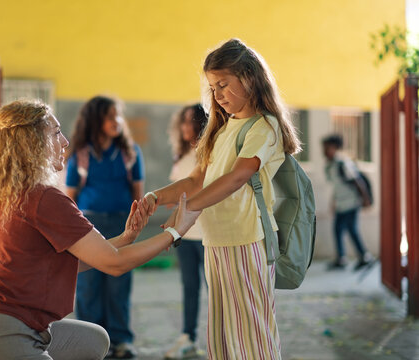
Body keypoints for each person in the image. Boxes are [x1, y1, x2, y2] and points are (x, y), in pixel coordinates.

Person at [0, 99, 200, 360]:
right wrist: (175, 232)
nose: (64, 141)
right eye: (55, 133)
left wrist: (126, 237)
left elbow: (68, 264)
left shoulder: (6, 197)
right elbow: (115, 264)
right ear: (31, 143)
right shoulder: (44, 198)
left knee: (93, 340)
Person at [144, 38, 302, 359]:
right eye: (212, 87)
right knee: (223, 337)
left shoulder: (264, 126)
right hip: (217, 242)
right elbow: (193, 180)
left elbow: (238, 177)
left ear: (249, 78)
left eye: (223, 84)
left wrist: (189, 209)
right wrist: (153, 198)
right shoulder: (224, 127)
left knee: (253, 338)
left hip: (247, 240)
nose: (217, 95)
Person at [65, 95, 144, 359]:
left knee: (119, 284)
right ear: (96, 120)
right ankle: (91, 342)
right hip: (88, 225)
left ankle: (120, 340)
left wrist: (134, 225)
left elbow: (138, 193)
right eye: (110, 116)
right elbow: (70, 196)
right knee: (88, 285)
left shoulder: (130, 153)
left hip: (121, 223)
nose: (117, 121)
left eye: (118, 115)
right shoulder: (81, 154)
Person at [164, 104, 208, 360]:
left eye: (189, 121)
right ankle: (188, 337)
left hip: (207, 236)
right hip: (185, 236)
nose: (184, 127)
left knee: (215, 290)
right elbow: (177, 194)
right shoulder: (180, 156)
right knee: (189, 288)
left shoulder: (208, 154)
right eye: (182, 122)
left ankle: (221, 338)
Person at [322, 134, 374, 270]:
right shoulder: (330, 166)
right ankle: (342, 258)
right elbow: (337, 186)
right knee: (338, 230)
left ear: (336, 148)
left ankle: (364, 257)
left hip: (351, 203)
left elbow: (358, 181)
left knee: (352, 230)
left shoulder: (343, 163)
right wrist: (333, 202)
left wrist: (366, 199)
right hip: (341, 204)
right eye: (324, 148)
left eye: (329, 148)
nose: (325, 151)